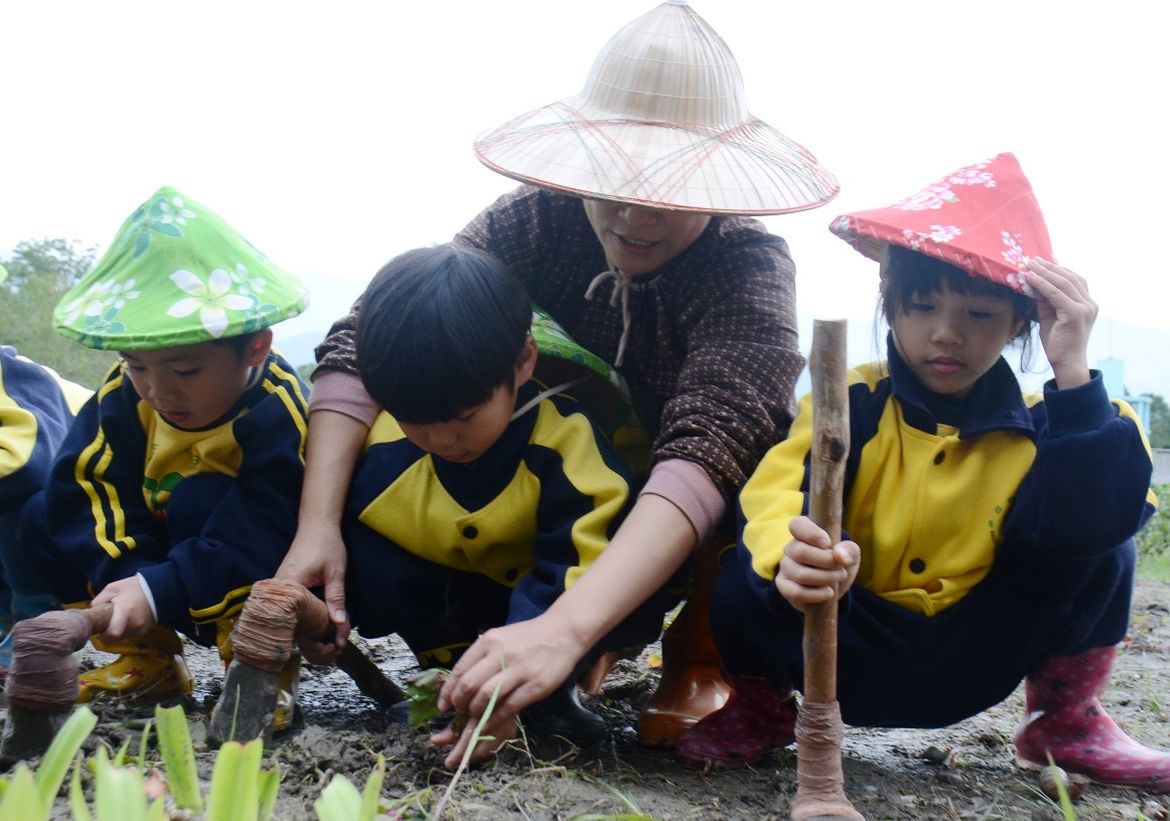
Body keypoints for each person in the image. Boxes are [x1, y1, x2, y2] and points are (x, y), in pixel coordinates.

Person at [277, 0, 838, 766]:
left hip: (685, 491)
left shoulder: (748, 273)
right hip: (591, 460)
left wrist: (563, 628)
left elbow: (711, 446)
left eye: (665, 190)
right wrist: (317, 528)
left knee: (748, 482)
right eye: (613, 182)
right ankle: (552, 637)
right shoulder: (538, 220)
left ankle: (698, 654)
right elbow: (378, 332)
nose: (633, 216)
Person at [677, 153, 1170, 794]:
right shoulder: (848, 403)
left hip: (976, 654)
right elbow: (772, 490)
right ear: (890, 308)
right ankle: (760, 710)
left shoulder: (1060, 424)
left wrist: (1073, 372)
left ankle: (1065, 721)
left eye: (979, 315)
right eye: (922, 307)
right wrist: (790, 557)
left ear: (1019, 323)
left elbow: (1100, 516)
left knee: (1104, 531)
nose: (946, 334)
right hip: (838, 649)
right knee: (742, 563)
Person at [343, 244, 678, 752]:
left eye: (462, 419)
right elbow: (363, 543)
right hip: (452, 594)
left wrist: (523, 659)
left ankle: (547, 692)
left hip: (548, 599)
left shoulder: (567, 443)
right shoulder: (381, 449)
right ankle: (451, 674)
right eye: (415, 423)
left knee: (622, 592)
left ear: (523, 363)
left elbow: (583, 562)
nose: (440, 441)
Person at [18, 187, 312, 732]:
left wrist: (159, 588)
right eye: (138, 367)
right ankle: (148, 659)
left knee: (200, 497)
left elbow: (265, 524)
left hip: (242, 564)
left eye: (185, 371)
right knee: (43, 514)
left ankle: (258, 666)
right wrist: (128, 583)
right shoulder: (122, 397)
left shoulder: (277, 408)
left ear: (255, 348)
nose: (158, 391)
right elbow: (88, 488)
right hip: (155, 552)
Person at [0, 263, 93, 671]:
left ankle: (33, 611)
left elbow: (27, 469)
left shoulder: (15, 380)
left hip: (98, 509)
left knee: (17, 501)